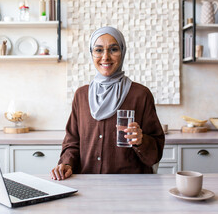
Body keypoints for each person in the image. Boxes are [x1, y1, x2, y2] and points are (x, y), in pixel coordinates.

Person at [50, 26, 165, 180]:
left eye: (113, 49)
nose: (105, 57)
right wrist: (67, 163)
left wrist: (141, 140)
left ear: (123, 52)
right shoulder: (81, 95)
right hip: (87, 184)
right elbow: (72, 142)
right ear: (91, 53)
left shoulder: (140, 95)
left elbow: (155, 154)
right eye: (98, 50)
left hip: (132, 185)